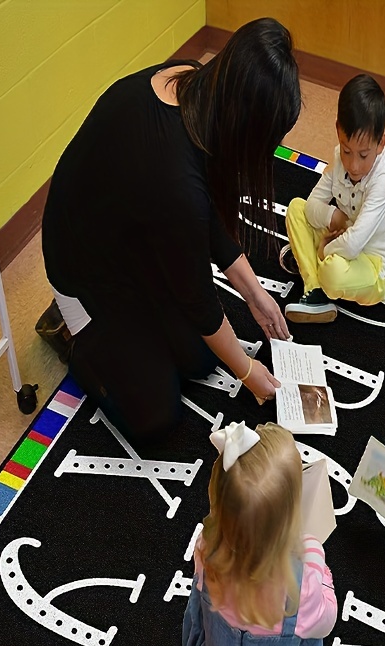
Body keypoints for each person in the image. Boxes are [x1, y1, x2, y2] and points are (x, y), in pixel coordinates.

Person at [41, 19, 299, 444]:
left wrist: (255, 294)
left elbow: (207, 211)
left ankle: (127, 331)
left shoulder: (192, 83)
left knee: (199, 360)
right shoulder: (174, 181)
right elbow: (197, 296)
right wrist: (249, 373)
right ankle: (73, 332)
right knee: (155, 415)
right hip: (84, 270)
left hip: (131, 239)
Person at [182, 421, 337, 646]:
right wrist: (313, 550)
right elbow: (327, 620)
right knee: (310, 636)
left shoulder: (206, 548)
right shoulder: (300, 585)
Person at [280, 74, 385, 323]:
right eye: (347, 151)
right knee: (295, 208)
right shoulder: (339, 159)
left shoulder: (384, 179)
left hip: (374, 265)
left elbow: (353, 244)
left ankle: (313, 271)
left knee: (333, 273)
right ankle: (315, 289)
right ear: (338, 130)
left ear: (382, 143)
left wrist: (324, 249)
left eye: (364, 154)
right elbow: (312, 204)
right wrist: (332, 215)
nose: (354, 165)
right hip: (343, 238)